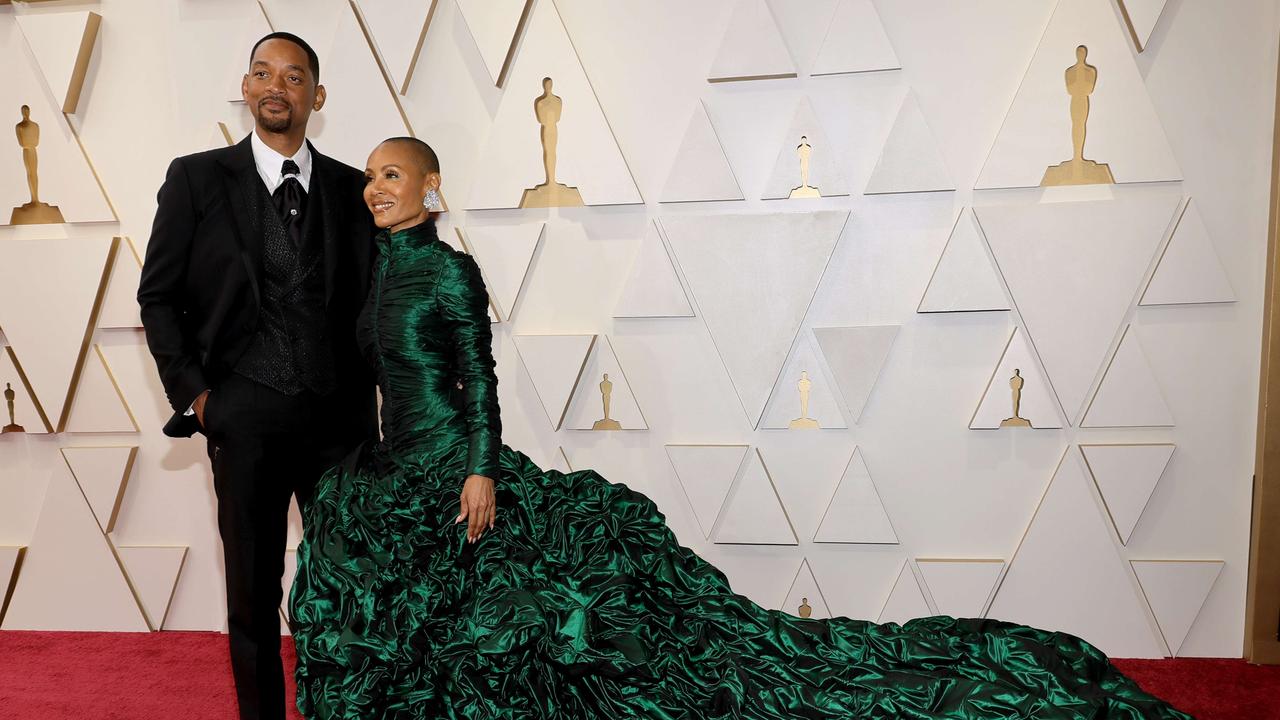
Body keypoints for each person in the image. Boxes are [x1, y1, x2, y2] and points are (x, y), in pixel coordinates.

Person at [289, 138, 1192, 719]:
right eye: (369, 176)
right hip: (391, 471)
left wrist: (480, 471)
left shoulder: (450, 275)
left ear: (431, 187)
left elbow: (478, 381)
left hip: (460, 470)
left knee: (550, 635)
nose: (374, 188)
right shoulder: (374, 277)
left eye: (392, 174)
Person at [137, 32, 377, 720]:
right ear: (246, 89)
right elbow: (158, 296)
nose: (278, 85)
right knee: (250, 592)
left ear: (317, 97)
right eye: (264, 73)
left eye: (295, 76)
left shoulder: (353, 189)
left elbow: (375, 305)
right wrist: (200, 399)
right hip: (242, 417)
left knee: (349, 589)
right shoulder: (196, 177)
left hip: (342, 427)